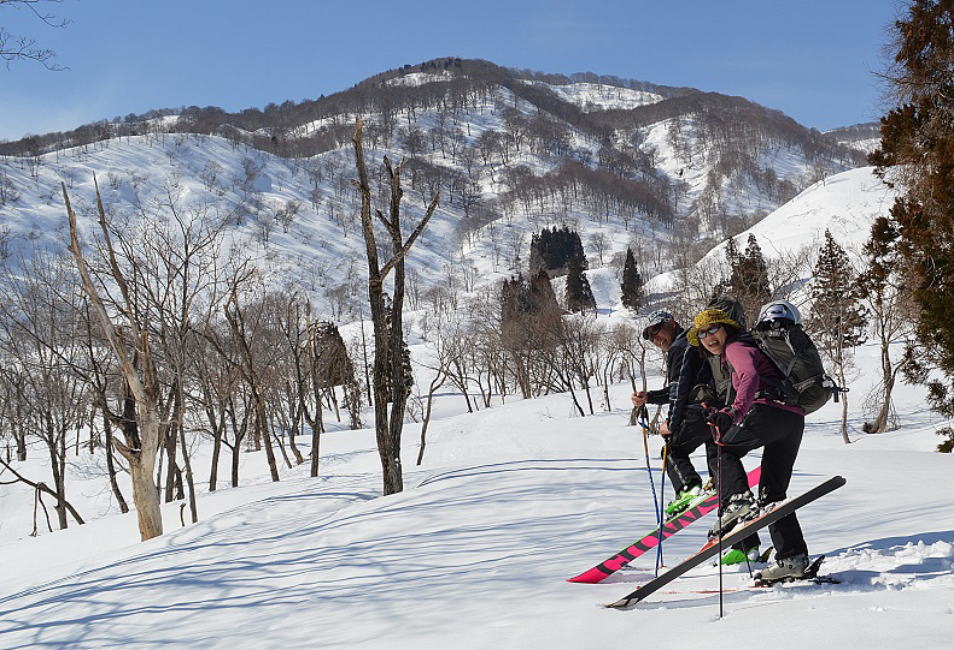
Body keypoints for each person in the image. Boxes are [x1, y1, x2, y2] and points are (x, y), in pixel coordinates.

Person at [687, 307, 811, 581]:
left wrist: (735, 412)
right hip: (793, 419)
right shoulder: (749, 346)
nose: (708, 337)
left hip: (769, 412)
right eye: (702, 334)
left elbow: (749, 376)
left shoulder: (736, 346)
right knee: (772, 496)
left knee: (722, 449)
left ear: (726, 328)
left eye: (712, 329)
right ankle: (793, 558)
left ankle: (737, 501)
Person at [630, 310, 716, 518]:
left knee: (672, 451)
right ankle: (746, 544)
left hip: (698, 412)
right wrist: (649, 397)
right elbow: (682, 388)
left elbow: (679, 392)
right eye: (650, 336)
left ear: (671, 322)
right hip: (719, 411)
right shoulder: (697, 343)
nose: (655, 338)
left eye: (656, 330)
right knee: (719, 462)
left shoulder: (679, 347)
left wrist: (672, 424)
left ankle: (688, 488)